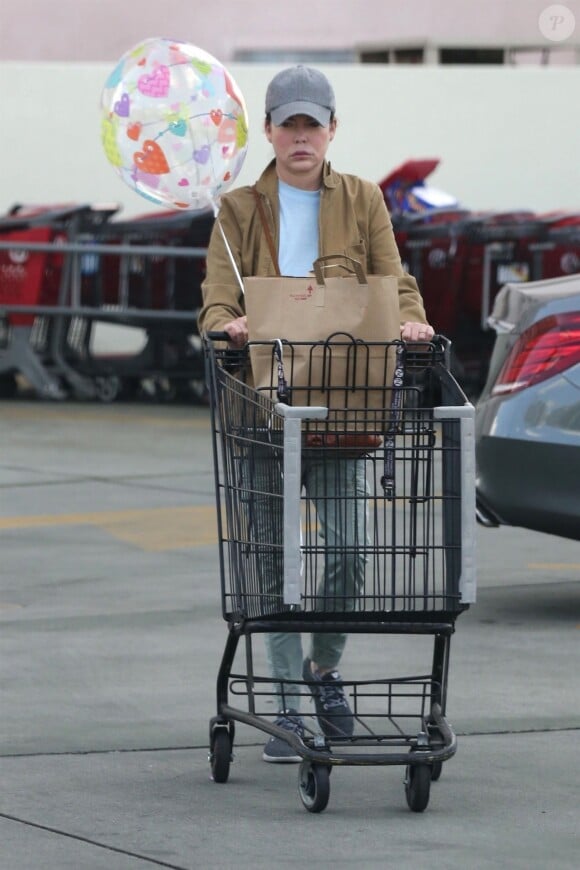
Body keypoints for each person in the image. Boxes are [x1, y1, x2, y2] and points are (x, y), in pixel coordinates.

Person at [199, 65, 434, 762]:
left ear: (333, 129)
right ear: (268, 132)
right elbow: (215, 295)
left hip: (341, 403)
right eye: (288, 124)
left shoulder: (362, 198)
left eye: (313, 124)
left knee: (352, 552)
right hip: (262, 407)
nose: (301, 137)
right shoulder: (237, 209)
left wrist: (413, 322)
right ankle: (287, 706)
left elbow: (395, 282)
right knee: (273, 564)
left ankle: (322, 671)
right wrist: (227, 324)